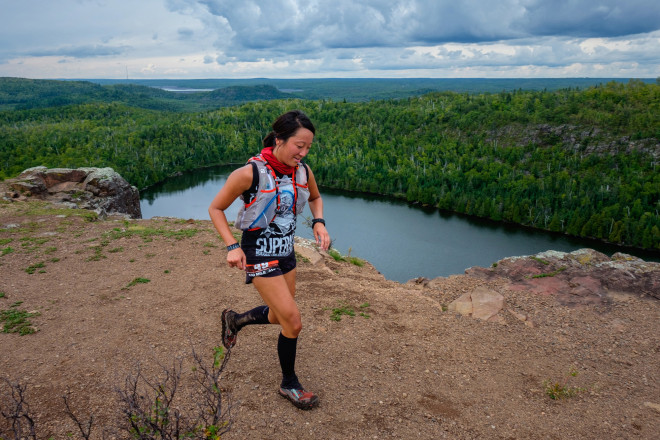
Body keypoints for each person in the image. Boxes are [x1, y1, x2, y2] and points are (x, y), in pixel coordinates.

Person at [208, 110, 330, 410]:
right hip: (259, 251)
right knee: (293, 321)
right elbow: (215, 208)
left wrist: (318, 221)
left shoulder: (302, 171)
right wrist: (231, 246)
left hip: (286, 251)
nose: (303, 152)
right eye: (298, 145)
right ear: (279, 140)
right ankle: (289, 384)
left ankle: (235, 320)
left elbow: (314, 197)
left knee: (278, 315)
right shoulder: (249, 173)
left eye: (308, 148)